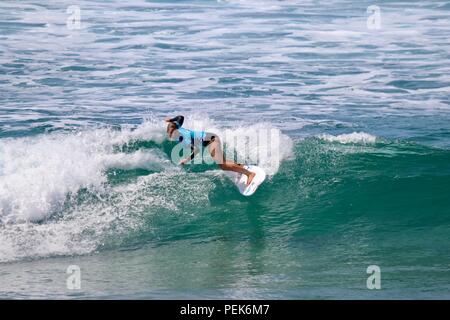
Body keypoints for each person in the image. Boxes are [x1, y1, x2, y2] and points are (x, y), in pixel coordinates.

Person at [165, 115, 255, 186]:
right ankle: (241, 166)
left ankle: (249, 174)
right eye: (169, 134)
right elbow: (181, 117)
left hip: (212, 140)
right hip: (210, 139)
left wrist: (186, 160)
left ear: (176, 131)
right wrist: (171, 120)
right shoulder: (177, 126)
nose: (171, 136)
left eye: (173, 134)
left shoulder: (185, 138)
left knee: (223, 165)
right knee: (223, 161)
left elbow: (196, 150)